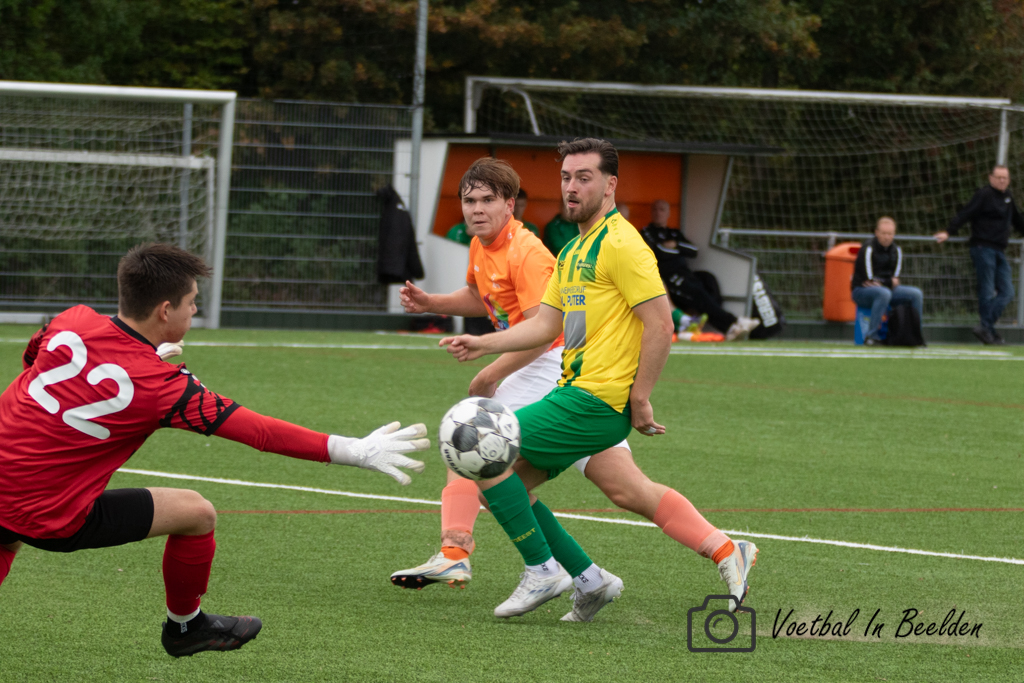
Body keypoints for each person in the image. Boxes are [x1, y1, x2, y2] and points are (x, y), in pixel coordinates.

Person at [0, 243, 428, 657]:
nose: (194, 310)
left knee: (6, 533)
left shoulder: (72, 320)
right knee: (197, 513)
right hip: (48, 514)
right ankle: (186, 627)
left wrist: (137, 355)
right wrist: (355, 450)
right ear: (165, 310)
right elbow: (261, 432)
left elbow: (33, 360)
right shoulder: (164, 388)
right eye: (191, 302)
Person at [439, 139, 758, 623]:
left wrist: (641, 397)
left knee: (487, 459)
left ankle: (543, 570)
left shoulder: (623, 244)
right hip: (573, 396)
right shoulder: (572, 251)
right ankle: (692, 556)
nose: (572, 187)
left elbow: (661, 324)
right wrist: (484, 344)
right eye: (566, 177)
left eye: (583, 177)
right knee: (580, 489)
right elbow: (545, 327)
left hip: (596, 402)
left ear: (610, 185)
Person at [390, 157, 630, 598]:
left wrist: (488, 366)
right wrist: (431, 302)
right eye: (470, 201)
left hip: (550, 364)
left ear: (510, 204)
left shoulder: (528, 252)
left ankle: (460, 554)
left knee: (468, 444)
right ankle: (595, 577)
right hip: (542, 364)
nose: (477, 209)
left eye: (487, 200)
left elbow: (545, 331)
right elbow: (482, 296)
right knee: (624, 488)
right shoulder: (482, 244)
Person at [641, 199, 760, 341]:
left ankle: (729, 324)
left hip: (684, 273)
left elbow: (693, 251)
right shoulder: (647, 233)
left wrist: (676, 245)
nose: (658, 213)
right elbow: (659, 252)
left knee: (708, 280)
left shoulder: (674, 233)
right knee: (697, 293)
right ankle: (733, 324)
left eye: (662, 209)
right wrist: (679, 249)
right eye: (655, 209)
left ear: (668, 213)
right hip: (668, 277)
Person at [934, 165, 1024, 345]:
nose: (1002, 180)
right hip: (983, 248)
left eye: (1005, 178)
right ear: (991, 178)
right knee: (987, 291)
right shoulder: (984, 195)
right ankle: (988, 331)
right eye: (998, 177)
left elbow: (1018, 221)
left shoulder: (1008, 197)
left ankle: (986, 328)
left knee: (1008, 292)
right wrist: (949, 231)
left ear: (1009, 180)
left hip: (999, 250)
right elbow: (966, 213)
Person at [852, 217, 924, 345]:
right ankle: (872, 337)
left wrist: (884, 283)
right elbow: (869, 279)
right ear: (876, 232)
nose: (887, 237)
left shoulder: (897, 250)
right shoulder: (868, 248)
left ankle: (916, 336)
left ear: (894, 234)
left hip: (888, 290)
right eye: (884, 233)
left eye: (890, 234)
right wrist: (888, 283)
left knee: (916, 294)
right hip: (861, 291)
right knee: (883, 293)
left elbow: (895, 279)